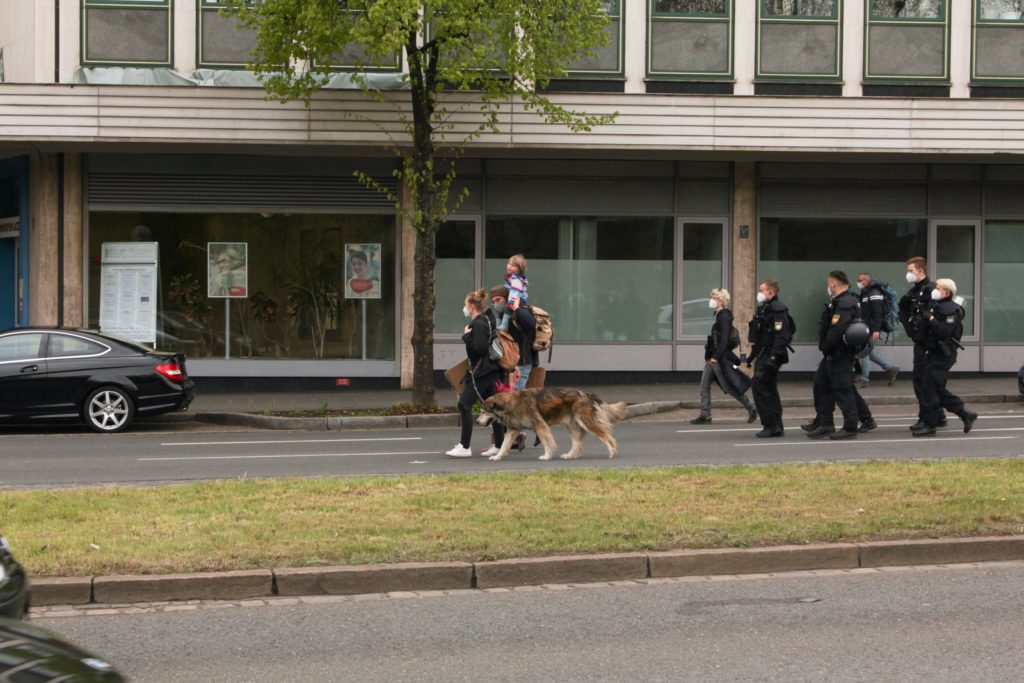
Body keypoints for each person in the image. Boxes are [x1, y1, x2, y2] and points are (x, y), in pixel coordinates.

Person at [445, 288, 507, 458]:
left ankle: (464, 447)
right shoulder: (485, 320)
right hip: (488, 371)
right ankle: (499, 445)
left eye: (466, 304)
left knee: (464, 404)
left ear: (472, 306)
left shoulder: (479, 323)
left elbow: (479, 349)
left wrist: (466, 337)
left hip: (481, 372)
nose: (464, 308)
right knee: (493, 407)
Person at [912, 278, 978, 437]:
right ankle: (965, 414)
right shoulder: (938, 306)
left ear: (946, 292)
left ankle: (930, 424)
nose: (935, 290)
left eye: (939, 288)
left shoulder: (950, 310)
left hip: (943, 354)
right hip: (934, 353)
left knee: (929, 388)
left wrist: (931, 319)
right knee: (935, 389)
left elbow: (944, 332)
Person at [805, 271, 866, 440]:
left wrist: (825, 346)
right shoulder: (840, 302)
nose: (828, 287)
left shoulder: (845, 303)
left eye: (829, 284)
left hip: (840, 353)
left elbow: (837, 329)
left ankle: (850, 426)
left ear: (833, 284)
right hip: (832, 354)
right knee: (821, 385)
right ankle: (825, 423)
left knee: (842, 389)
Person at [691, 288, 757, 425]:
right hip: (713, 357)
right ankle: (705, 415)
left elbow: (724, 340)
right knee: (704, 385)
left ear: (721, 301)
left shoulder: (724, 316)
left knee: (727, 386)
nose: (711, 300)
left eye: (714, 297)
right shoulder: (718, 315)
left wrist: (716, 356)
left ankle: (751, 407)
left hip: (718, 358)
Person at [491, 285, 538, 450]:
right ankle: (514, 437)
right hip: (509, 364)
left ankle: (533, 429)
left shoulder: (520, 311)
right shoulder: (501, 315)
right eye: (493, 301)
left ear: (507, 298)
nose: (496, 303)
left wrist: (516, 307)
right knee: (506, 402)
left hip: (521, 364)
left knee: (511, 403)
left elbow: (531, 324)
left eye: (498, 300)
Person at [899, 256, 942, 431]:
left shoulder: (932, 289)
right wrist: (910, 330)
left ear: (920, 270)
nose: (908, 274)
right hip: (920, 341)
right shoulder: (913, 292)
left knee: (924, 382)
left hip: (930, 344)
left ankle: (927, 418)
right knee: (920, 380)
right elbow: (904, 312)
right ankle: (936, 416)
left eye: (911, 271)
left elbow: (935, 316)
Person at [747, 280, 791, 438]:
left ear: (771, 292)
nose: (759, 293)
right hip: (763, 353)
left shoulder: (777, 309)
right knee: (769, 388)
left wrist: (773, 356)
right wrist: (752, 356)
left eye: (762, 290)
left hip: (771, 354)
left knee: (760, 387)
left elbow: (782, 335)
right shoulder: (765, 308)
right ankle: (776, 425)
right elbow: (762, 336)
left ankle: (771, 425)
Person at [855, 272, 900, 388]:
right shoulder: (865, 292)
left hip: (870, 328)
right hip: (865, 327)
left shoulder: (874, 293)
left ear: (867, 280)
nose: (858, 282)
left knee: (863, 352)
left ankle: (865, 379)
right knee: (869, 353)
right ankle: (890, 369)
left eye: (860, 280)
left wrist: (876, 330)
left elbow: (878, 313)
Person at [496, 254, 528, 332]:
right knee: (502, 309)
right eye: (509, 264)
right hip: (511, 299)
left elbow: (515, 291)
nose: (509, 266)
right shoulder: (511, 277)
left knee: (507, 308)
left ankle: (504, 325)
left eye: (513, 265)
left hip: (517, 300)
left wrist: (511, 303)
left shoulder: (517, 279)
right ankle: (498, 324)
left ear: (519, 269)